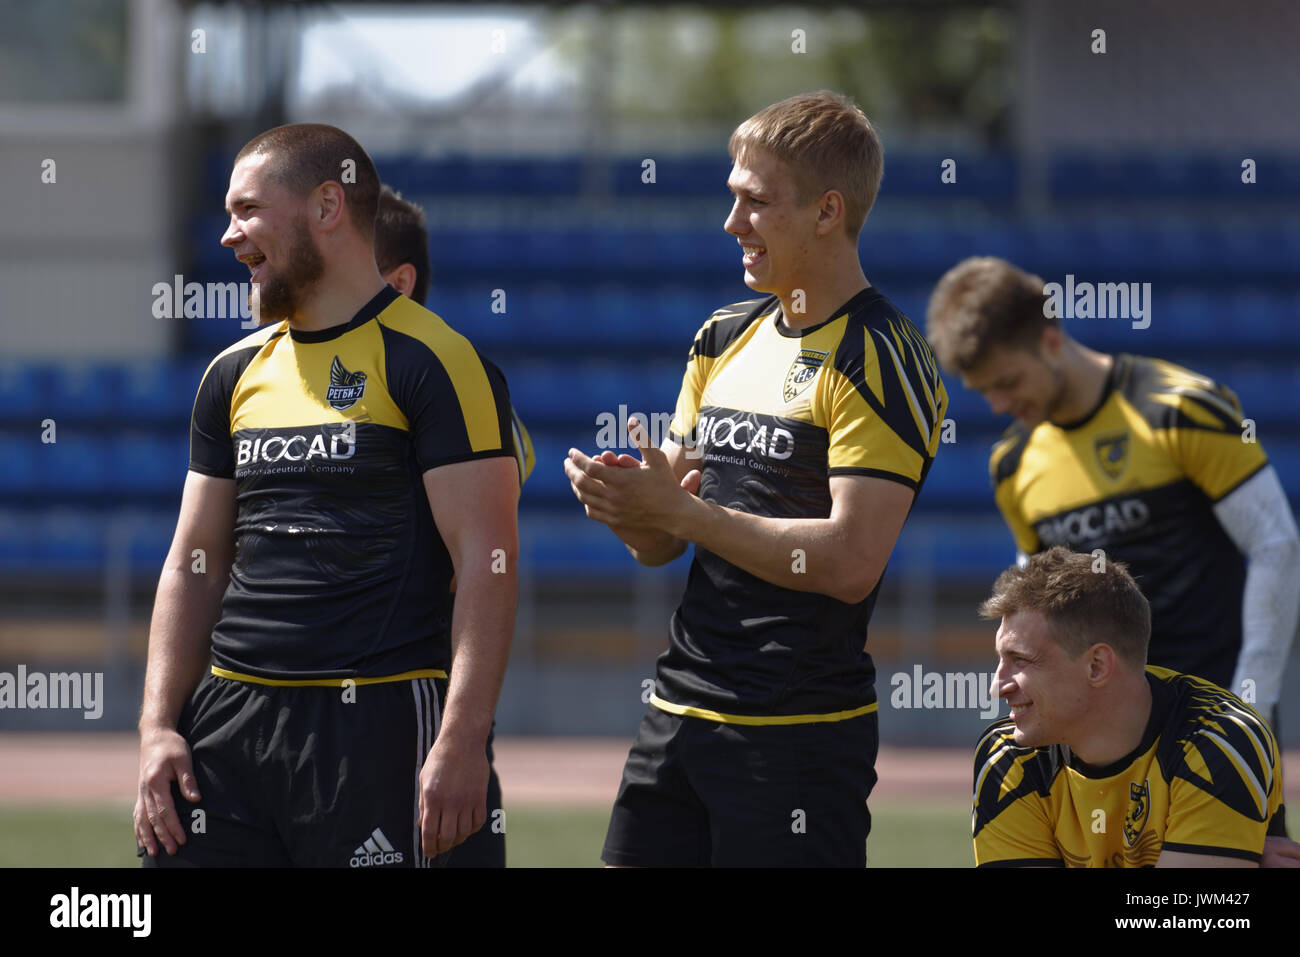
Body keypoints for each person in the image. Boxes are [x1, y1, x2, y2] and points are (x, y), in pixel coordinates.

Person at [565, 91, 948, 867]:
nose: (733, 223)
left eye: (756, 202)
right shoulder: (722, 335)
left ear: (827, 211)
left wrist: (682, 514)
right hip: (676, 712)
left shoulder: (880, 354)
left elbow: (848, 561)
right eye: (734, 198)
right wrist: (630, 509)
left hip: (798, 736)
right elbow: (663, 543)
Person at [133, 124, 519, 867]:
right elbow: (193, 560)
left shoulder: (439, 362)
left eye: (247, 211)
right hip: (226, 724)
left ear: (327, 205)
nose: (227, 236)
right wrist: (157, 725)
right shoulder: (231, 372)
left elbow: (487, 559)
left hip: (377, 726)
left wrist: (464, 735)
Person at [925, 258, 1300, 722]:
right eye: (985, 392)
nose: (1000, 405)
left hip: (1214, 711)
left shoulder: (1180, 409)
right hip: (1096, 732)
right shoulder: (1012, 464)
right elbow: (1037, 602)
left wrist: (1251, 705)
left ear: (1050, 341)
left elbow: (1275, 545)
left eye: (1008, 382)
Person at [373, 183, 532, 868]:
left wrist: (460, 732)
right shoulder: (278, 378)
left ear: (399, 283)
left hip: (424, 702)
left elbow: (484, 547)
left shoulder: (456, 386)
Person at [973, 547, 1282, 867]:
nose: (997, 687)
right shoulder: (1006, 758)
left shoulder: (1220, 741)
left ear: (1096, 665)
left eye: (1020, 660)